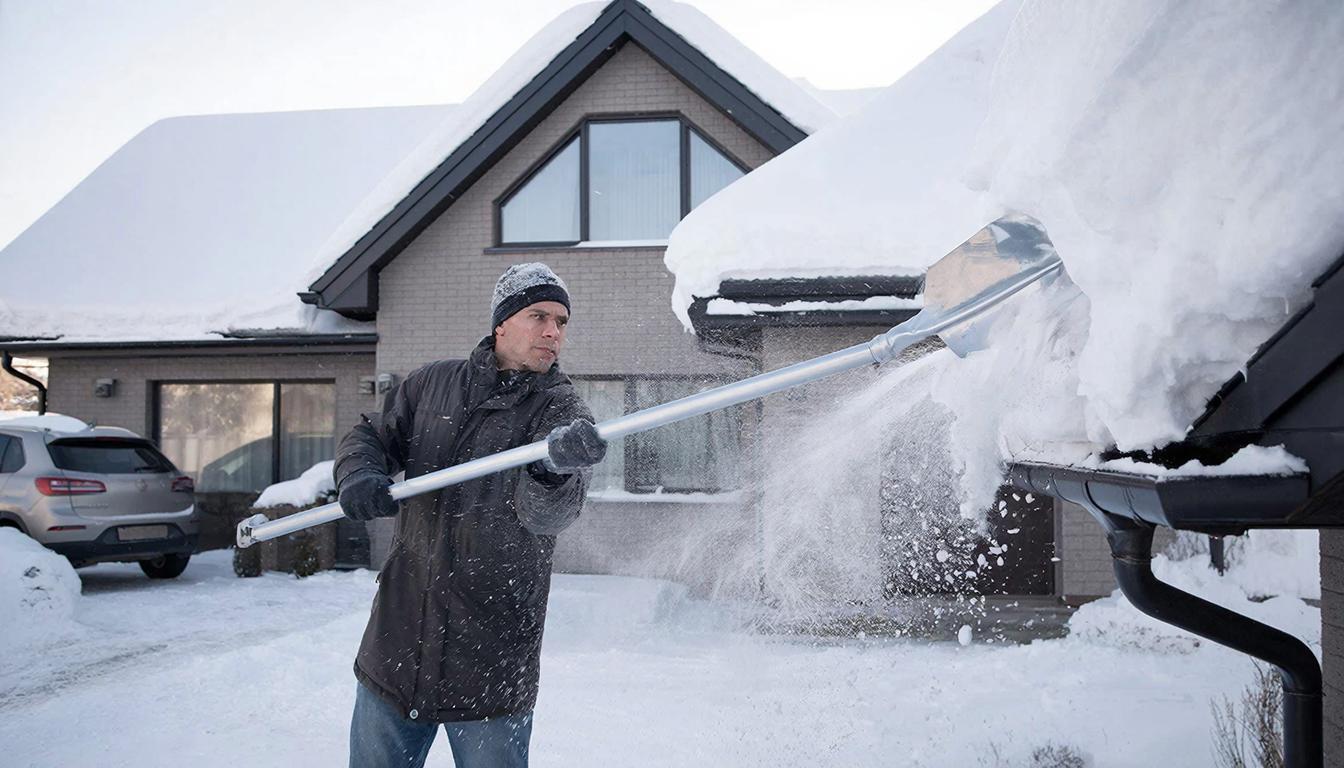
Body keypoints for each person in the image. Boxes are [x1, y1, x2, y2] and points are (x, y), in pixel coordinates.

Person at [335, 263, 606, 768]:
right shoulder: (431, 384)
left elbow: (551, 516)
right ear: (501, 322)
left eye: (562, 322)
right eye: (539, 315)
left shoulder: (562, 414)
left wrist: (554, 471)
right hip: (396, 645)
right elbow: (369, 435)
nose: (553, 331)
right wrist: (360, 474)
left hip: (491, 661)